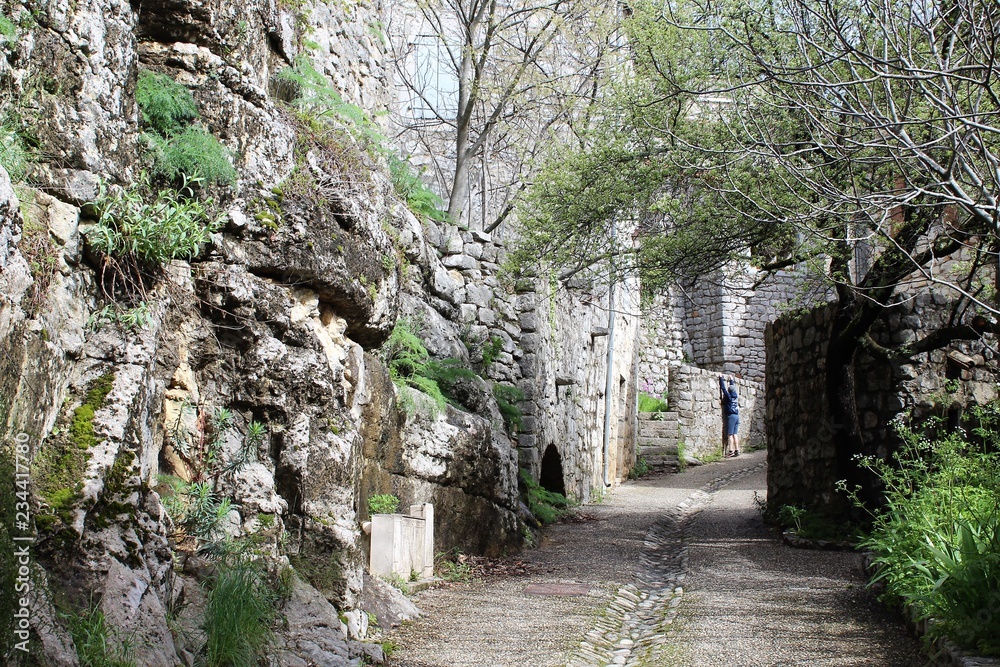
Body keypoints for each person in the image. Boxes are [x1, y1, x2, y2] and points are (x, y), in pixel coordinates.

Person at [719, 375, 740, 457]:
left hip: (731, 416)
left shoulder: (728, 397)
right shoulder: (735, 396)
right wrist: (732, 380)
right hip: (737, 416)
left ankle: (731, 451)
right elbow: (732, 388)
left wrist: (721, 379)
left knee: (730, 434)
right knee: (735, 434)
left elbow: (723, 389)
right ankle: (737, 450)